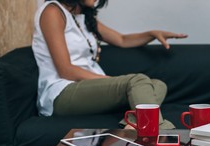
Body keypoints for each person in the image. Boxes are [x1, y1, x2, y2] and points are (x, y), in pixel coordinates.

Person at [32, 0, 188, 129]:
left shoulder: (83, 14)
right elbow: (66, 70)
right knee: (137, 81)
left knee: (158, 85)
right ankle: (160, 131)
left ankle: (132, 126)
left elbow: (121, 40)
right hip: (62, 93)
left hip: (88, 88)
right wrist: (108, 81)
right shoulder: (52, 12)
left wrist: (152, 34)